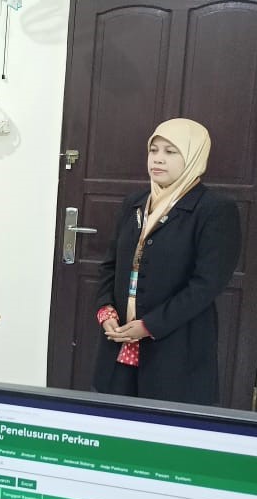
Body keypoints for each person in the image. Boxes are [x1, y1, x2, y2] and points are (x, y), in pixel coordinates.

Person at [94, 119, 240, 404]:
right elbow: (110, 265)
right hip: (120, 344)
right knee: (116, 421)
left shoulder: (214, 210)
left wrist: (149, 325)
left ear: (194, 156)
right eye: (154, 150)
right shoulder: (135, 203)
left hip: (174, 350)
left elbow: (206, 285)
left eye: (171, 152)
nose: (158, 159)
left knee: (162, 424)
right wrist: (106, 311)